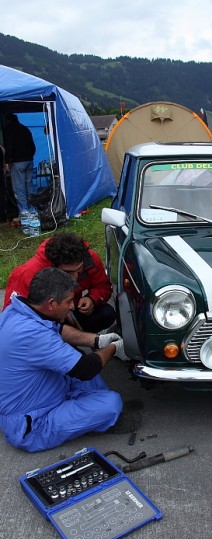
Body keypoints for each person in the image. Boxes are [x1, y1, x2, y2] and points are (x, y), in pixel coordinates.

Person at [0, 268, 129, 453]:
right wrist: (115, 347)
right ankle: (89, 421)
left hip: (40, 390)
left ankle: (86, 413)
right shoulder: (33, 335)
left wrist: (97, 340)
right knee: (111, 404)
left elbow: (57, 329)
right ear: (51, 303)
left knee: (83, 367)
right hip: (31, 422)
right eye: (69, 301)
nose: (72, 307)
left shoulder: (18, 309)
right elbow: (86, 369)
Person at [3, 231, 116, 333]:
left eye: (79, 269)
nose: (75, 277)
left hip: (71, 310)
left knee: (106, 314)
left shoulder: (90, 259)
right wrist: (53, 316)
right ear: (53, 266)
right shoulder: (27, 274)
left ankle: (74, 340)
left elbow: (103, 286)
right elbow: (12, 316)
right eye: (68, 272)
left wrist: (92, 299)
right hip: (43, 322)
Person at [3, 113, 36, 226]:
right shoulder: (25, 129)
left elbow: (9, 147)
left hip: (17, 162)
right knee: (29, 185)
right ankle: (33, 210)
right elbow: (33, 146)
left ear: (7, 121)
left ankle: (24, 212)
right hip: (29, 160)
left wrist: (7, 161)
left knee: (19, 187)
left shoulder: (9, 130)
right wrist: (30, 156)